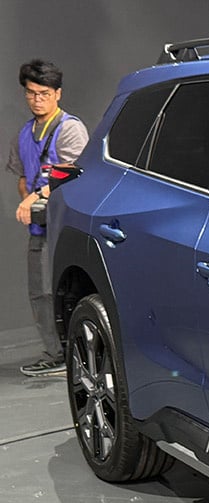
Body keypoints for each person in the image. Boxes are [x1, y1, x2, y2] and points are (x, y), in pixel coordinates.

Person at [7, 59, 88, 377]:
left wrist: (35, 197)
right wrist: (28, 199)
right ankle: (55, 354)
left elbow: (74, 174)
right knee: (39, 291)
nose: (37, 99)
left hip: (66, 227)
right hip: (39, 227)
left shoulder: (69, 128)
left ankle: (77, 354)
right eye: (31, 93)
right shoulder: (24, 134)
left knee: (68, 290)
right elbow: (22, 177)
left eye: (44, 93)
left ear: (57, 94)